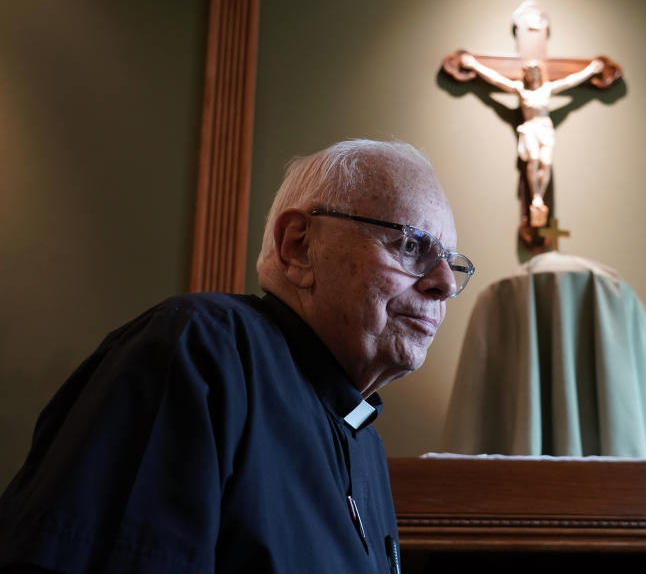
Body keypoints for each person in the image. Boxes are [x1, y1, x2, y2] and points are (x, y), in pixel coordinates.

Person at [0, 139, 474, 573]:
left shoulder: (362, 440)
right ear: (299, 247)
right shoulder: (199, 350)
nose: (445, 285)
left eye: (451, 263)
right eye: (411, 245)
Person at [458, 52, 603, 229]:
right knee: (533, 160)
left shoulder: (547, 89)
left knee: (546, 162)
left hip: (545, 128)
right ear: (525, 74)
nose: (532, 75)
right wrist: (474, 66)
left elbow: (569, 81)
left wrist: (590, 71)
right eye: (529, 72)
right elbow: (497, 80)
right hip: (529, 129)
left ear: (539, 73)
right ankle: (535, 196)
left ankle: (539, 197)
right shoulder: (521, 89)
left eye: (535, 71)